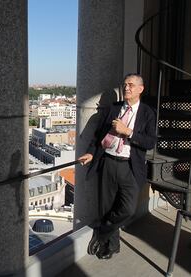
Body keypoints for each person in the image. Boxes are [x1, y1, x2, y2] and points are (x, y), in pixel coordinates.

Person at [78, 73, 156, 259]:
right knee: (106, 207)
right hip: (107, 162)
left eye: (130, 85)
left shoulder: (147, 113)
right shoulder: (113, 109)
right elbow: (98, 136)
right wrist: (90, 152)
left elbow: (150, 142)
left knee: (127, 209)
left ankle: (102, 232)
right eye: (124, 85)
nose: (126, 88)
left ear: (140, 89)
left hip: (129, 167)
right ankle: (111, 246)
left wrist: (128, 132)